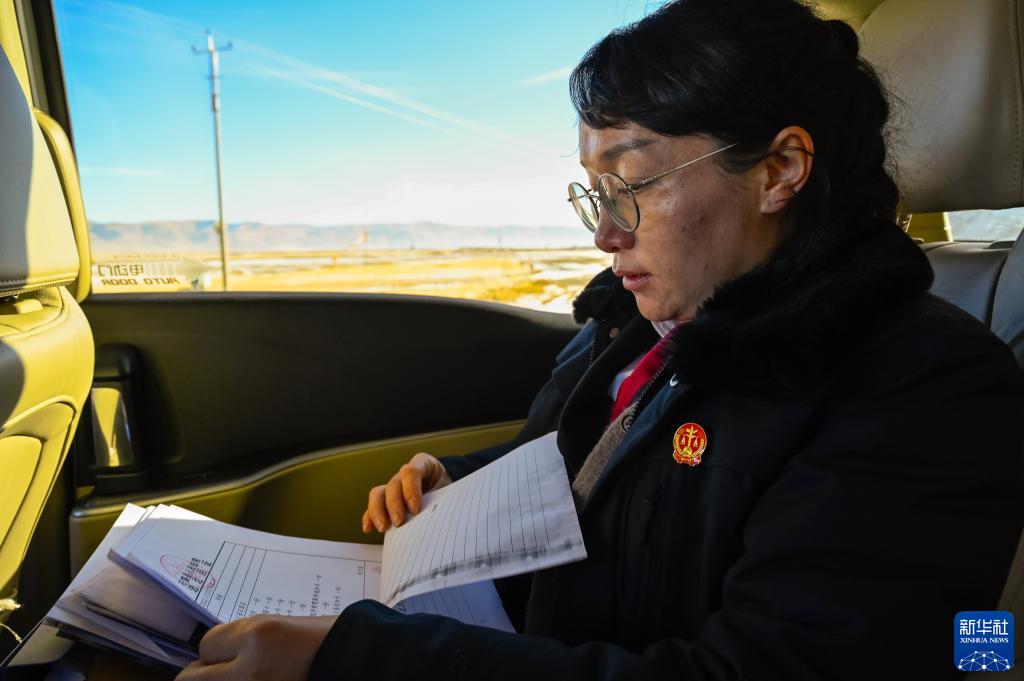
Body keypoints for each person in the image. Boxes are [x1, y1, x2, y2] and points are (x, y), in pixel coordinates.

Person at [176, 0, 1024, 679]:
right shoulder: (651, 326)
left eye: (631, 184)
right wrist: (457, 481)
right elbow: (589, 465)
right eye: (594, 192)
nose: (605, 234)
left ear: (779, 171)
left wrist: (362, 660)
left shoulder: (926, 388)